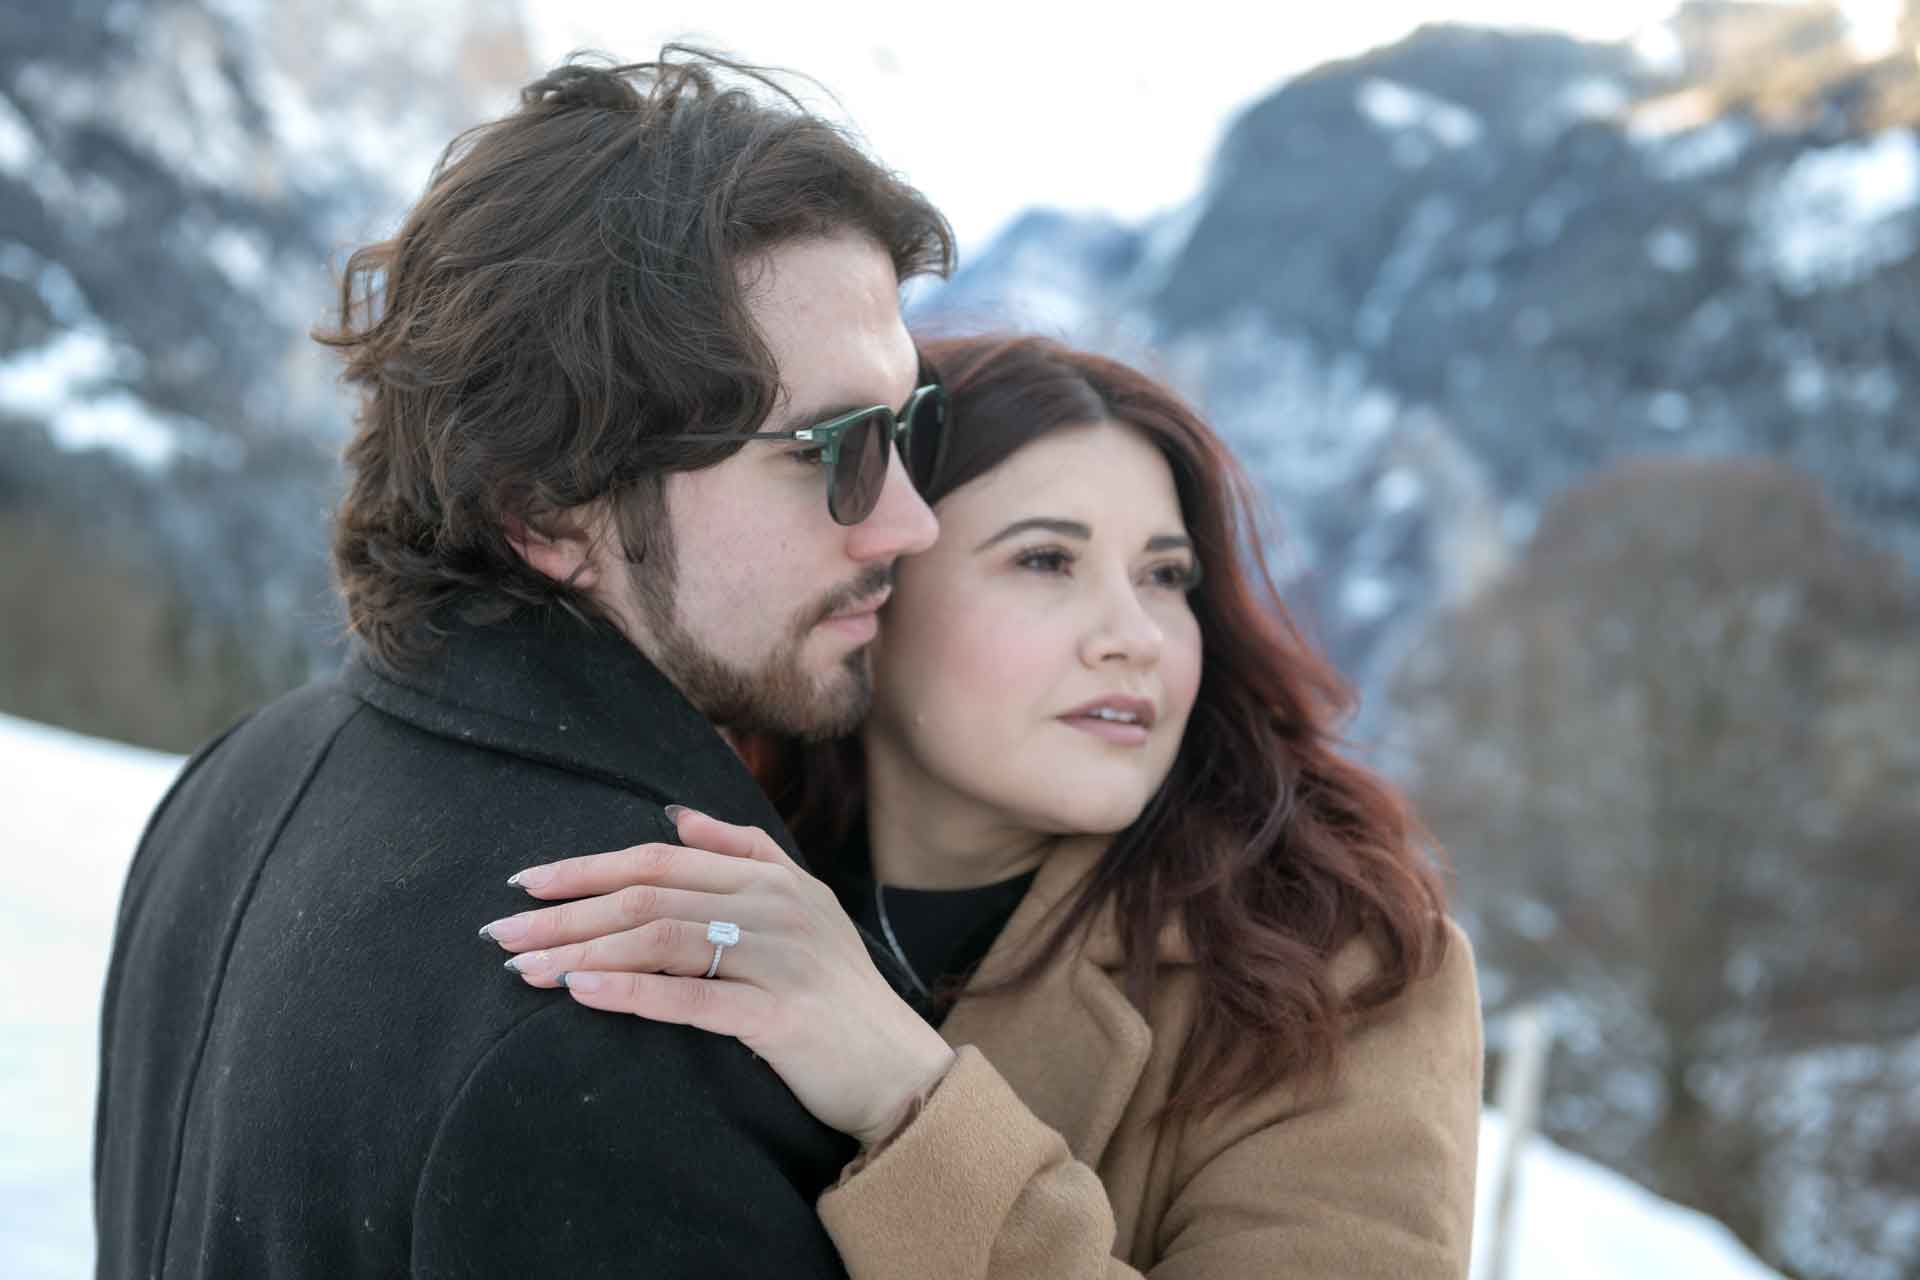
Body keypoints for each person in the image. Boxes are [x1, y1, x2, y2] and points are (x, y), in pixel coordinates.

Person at [93, 51, 958, 1277]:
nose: (910, 520)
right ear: (546, 508)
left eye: (911, 424)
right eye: (835, 448)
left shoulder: (235, 777)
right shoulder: (638, 991)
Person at [483, 334, 1485, 1276]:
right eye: (1047, 559)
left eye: (1167, 575)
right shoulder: (694, 865)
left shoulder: (1339, 967)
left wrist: (912, 1100)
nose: (1133, 634)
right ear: (870, 592)